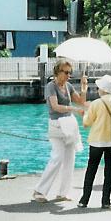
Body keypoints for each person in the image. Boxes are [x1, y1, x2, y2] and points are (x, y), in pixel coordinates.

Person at [32, 58, 87, 203]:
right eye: (66, 72)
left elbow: (81, 101)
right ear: (58, 71)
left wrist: (83, 88)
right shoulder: (51, 86)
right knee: (57, 157)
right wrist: (73, 109)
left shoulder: (68, 86)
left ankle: (63, 193)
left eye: (70, 73)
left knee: (70, 159)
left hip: (69, 125)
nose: (69, 75)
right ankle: (39, 190)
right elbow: (55, 106)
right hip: (56, 125)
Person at [78, 75, 111, 209]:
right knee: (109, 172)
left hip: (96, 142)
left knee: (91, 170)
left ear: (103, 89)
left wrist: (84, 115)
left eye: (99, 88)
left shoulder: (96, 103)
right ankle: (106, 201)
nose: (98, 90)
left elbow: (87, 122)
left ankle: (84, 200)